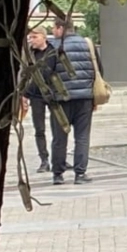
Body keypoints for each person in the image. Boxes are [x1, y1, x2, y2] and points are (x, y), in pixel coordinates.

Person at [48, 18, 98, 185]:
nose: (53, 32)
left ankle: (58, 174)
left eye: (54, 28)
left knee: (59, 137)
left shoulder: (53, 46)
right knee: (82, 136)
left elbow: (47, 72)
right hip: (84, 98)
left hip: (61, 99)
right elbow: (98, 70)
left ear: (61, 28)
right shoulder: (87, 44)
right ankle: (80, 174)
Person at [21, 27, 59, 173]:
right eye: (30, 37)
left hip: (53, 93)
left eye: (34, 37)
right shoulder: (29, 54)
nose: (31, 40)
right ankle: (44, 159)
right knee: (39, 128)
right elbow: (24, 73)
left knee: (58, 127)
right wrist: (22, 93)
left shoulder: (53, 51)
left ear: (43, 37)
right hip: (35, 95)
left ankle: (59, 157)